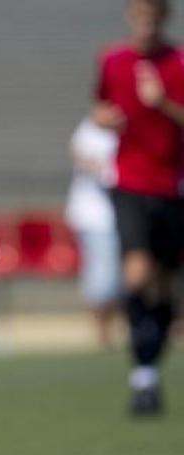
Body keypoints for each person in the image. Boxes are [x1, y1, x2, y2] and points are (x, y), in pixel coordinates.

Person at [93, 0, 184, 414]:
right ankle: (141, 372)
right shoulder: (112, 60)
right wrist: (104, 118)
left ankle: (149, 370)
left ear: (163, 19)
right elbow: (100, 108)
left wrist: (161, 102)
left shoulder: (178, 62)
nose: (144, 24)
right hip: (129, 183)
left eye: (152, 17)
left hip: (172, 187)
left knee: (164, 285)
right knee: (137, 273)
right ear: (131, 17)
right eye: (138, 16)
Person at [65, 116, 121, 350]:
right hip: (95, 218)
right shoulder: (89, 129)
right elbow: (79, 156)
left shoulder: (124, 128)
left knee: (119, 277)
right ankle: (101, 332)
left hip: (118, 216)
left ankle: (113, 328)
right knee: (103, 275)